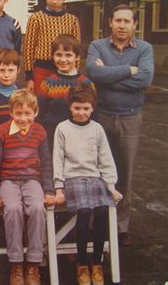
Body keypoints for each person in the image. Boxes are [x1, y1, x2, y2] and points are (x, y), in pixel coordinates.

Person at [86, 4, 154, 245]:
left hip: (130, 118)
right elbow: (93, 73)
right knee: (98, 170)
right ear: (110, 23)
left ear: (134, 24)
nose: (122, 25)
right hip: (102, 117)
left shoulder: (145, 49)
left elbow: (145, 80)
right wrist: (127, 71)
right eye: (118, 21)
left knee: (124, 172)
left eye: (127, 21)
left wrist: (109, 77)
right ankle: (96, 222)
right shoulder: (98, 46)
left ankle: (120, 226)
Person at [53, 84, 123, 285]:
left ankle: (97, 261)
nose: (81, 112)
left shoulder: (97, 129)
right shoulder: (62, 128)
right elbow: (57, 158)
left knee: (101, 210)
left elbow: (105, 159)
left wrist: (110, 186)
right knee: (84, 211)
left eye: (85, 108)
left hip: (94, 178)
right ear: (70, 107)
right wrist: (58, 186)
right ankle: (82, 263)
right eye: (77, 108)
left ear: (92, 107)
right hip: (72, 179)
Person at [0, 89, 54, 285]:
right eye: (19, 114)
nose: (23, 118)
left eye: (28, 113)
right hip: (8, 181)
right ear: (11, 113)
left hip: (32, 180)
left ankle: (33, 263)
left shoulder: (40, 132)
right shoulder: (1, 132)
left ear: (36, 112)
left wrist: (49, 190)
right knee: (13, 209)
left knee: (36, 208)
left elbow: (46, 162)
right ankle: (16, 263)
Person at [22, 0, 81, 95]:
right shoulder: (36, 18)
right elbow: (28, 48)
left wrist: (75, 71)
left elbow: (77, 48)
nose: (54, 1)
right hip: (42, 68)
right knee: (40, 100)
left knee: (64, 99)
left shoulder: (72, 20)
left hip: (65, 68)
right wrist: (29, 77)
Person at [37, 34, 94, 149]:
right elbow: (39, 115)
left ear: (77, 57)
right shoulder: (47, 84)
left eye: (68, 55)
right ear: (52, 56)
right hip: (52, 138)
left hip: (79, 139)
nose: (63, 60)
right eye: (59, 55)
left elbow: (93, 115)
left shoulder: (87, 84)